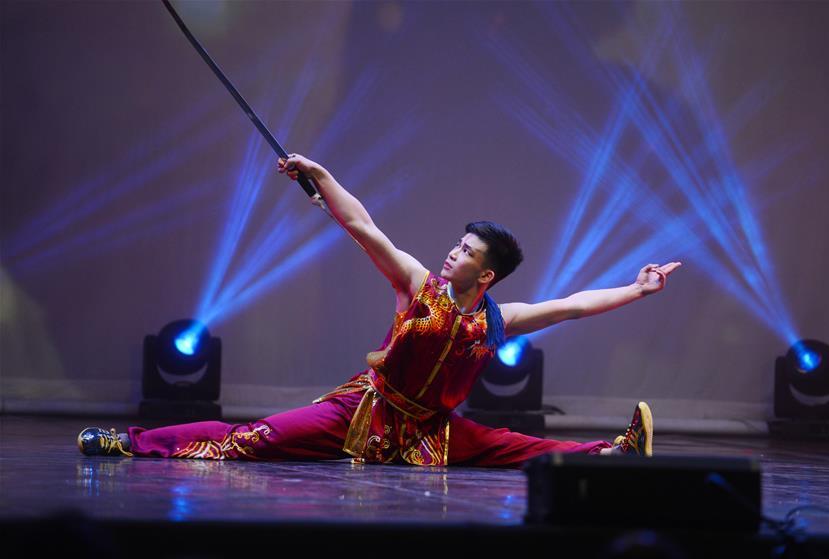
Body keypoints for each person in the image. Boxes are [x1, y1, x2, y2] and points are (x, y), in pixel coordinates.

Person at [77, 154, 682, 467]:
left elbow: (572, 306)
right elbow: (364, 227)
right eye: (457, 243)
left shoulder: (498, 321)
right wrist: (319, 174)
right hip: (364, 413)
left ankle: (614, 454)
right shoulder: (418, 285)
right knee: (253, 440)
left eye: (467, 252)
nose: (453, 252)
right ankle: (129, 443)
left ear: (486, 275)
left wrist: (637, 290)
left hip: (430, 432)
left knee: (514, 448)